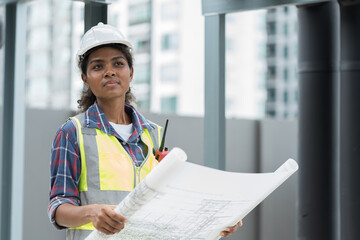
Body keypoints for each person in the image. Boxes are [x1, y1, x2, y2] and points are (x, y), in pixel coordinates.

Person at [48, 22, 241, 240]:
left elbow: (168, 208)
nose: (109, 71)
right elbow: (58, 208)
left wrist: (212, 225)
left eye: (118, 64)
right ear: (85, 79)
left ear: (130, 73)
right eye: (98, 66)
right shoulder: (73, 133)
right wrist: (91, 213)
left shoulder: (153, 135)